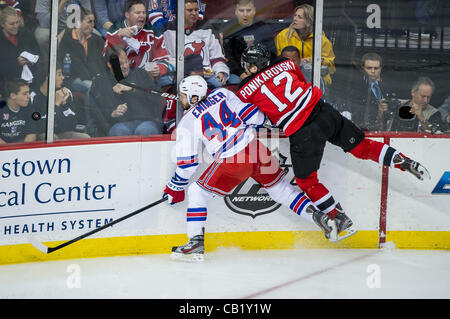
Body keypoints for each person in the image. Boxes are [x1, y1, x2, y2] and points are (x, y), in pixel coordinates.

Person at [238, 44, 430, 242]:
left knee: (307, 181)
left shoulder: (244, 90)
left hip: (302, 131)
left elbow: (254, 115)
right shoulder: (285, 63)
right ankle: (403, 161)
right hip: (324, 112)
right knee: (362, 146)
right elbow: (301, 82)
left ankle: (339, 218)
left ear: (251, 66)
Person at [163, 75, 336, 262]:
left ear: (193, 98)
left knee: (197, 192)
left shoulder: (186, 123)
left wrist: (175, 187)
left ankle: (195, 243)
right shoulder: (223, 93)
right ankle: (321, 217)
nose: (180, 99)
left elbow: (188, 165)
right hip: (257, 149)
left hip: (233, 160)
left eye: (182, 96)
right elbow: (255, 116)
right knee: (280, 190)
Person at [89, 45, 165, 137]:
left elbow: (156, 97)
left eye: (126, 62)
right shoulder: (100, 82)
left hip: (145, 121)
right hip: (118, 124)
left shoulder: (141, 74)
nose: (125, 66)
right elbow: (96, 111)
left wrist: (133, 88)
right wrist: (112, 114)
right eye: (120, 64)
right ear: (109, 64)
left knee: (145, 130)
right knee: (120, 131)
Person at [57, 7, 106, 136]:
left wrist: (98, 77)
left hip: (91, 76)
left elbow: (96, 61)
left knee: (99, 84)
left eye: (93, 22)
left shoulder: (94, 39)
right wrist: (92, 78)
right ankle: (90, 127)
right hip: (72, 78)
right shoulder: (68, 38)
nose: (92, 25)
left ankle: (104, 123)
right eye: (89, 21)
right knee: (90, 86)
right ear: (78, 23)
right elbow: (75, 64)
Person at [162, 0, 230, 89]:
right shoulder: (167, 30)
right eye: (190, 10)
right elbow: (164, 59)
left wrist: (220, 71)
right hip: (178, 74)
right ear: (180, 11)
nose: (194, 13)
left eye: (196, 10)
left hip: (205, 75)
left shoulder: (207, 29)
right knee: (162, 82)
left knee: (218, 83)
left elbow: (216, 57)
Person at [103, 0, 171, 86]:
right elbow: (107, 57)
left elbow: (163, 57)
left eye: (144, 13)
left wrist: (159, 69)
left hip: (147, 79)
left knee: (167, 82)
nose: (142, 15)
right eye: (138, 13)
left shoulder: (153, 32)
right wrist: (118, 36)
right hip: (122, 79)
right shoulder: (115, 30)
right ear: (127, 14)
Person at [274, 4, 335, 86]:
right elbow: (276, 60)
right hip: (290, 79)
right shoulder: (283, 36)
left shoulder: (321, 40)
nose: (295, 19)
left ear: (309, 21)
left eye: (300, 17)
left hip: (316, 81)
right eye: (295, 15)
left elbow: (331, 65)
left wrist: (313, 61)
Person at [221, 0, 276, 84]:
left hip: (262, 70)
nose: (245, 14)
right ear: (236, 12)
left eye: (248, 10)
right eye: (241, 10)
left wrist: (259, 71)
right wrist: (242, 74)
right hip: (238, 73)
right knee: (235, 81)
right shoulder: (229, 29)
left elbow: (272, 54)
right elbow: (229, 58)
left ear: (254, 11)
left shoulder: (263, 27)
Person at [31, 63, 90, 140]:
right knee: (52, 138)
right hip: (42, 135)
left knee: (85, 138)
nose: (63, 77)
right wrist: (56, 104)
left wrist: (63, 104)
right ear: (48, 77)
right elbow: (40, 127)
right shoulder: (33, 97)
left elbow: (72, 124)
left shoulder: (65, 92)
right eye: (59, 75)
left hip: (62, 133)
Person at [341, 52, 398, 131]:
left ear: (381, 68)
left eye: (376, 68)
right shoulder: (355, 88)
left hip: (385, 131)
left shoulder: (386, 87)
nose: (373, 71)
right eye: (369, 68)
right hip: (363, 131)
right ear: (363, 68)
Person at [0, 6, 40, 97]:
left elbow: (38, 55)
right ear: (2, 24)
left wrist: (31, 61)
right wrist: (16, 63)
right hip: (7, 86)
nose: (15, 26)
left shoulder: (26, 34)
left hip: (30, 83)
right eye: (11, 24)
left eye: (17, 22)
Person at [0, 78, 36, 143]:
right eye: (25, 94)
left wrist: (20, 151)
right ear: (13, 96)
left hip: (21, 145)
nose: (29, 96)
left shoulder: (28, 106)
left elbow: (31, 134)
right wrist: (10, 151)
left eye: (29, 92)